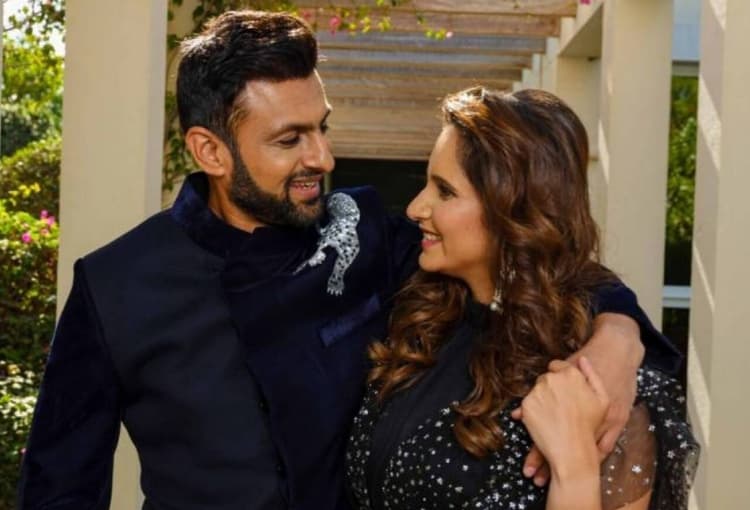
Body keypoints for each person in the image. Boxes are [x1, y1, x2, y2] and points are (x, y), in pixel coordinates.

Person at [17, 10, 680, 510]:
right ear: (210, 151)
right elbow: (60, 488)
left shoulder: (364, 230)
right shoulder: (114, 285)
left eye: (323, 127)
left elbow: (527, 256)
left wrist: (617, 335)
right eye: (290, 140)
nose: (323, 158)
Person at [345, 87, 698, 510]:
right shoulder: (420, 315)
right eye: (427, 183)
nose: (416, 207)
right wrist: (621, 328)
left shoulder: (606, 388)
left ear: (512, 210)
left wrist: (573, 463)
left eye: (445, 191)